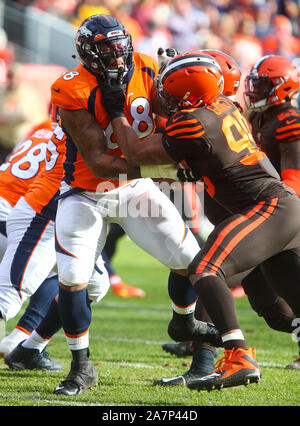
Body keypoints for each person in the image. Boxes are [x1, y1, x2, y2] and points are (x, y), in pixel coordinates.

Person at [100, 50, 300, 391]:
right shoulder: (226, 107)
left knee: (206, 269)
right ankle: (206, 347)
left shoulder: (193, 121)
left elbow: (134, 151)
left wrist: (117, 108)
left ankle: (238, 355)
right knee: (279, 314)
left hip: (267, 209)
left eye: (170, 90)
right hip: (279, 212)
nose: (162, 96)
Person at [49, 14, 218, 396]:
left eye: (117, 44)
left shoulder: (145, 64)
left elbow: (165, 112)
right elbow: (99, 161)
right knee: (74, 280)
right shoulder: (71, 88)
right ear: (87, 53)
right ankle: (81, 367)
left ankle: (183, 323)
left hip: (136, 188)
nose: (115, 55)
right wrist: (171, 170)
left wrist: (178, 96)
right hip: (87, 193)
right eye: (105, 49)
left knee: (192, 262)